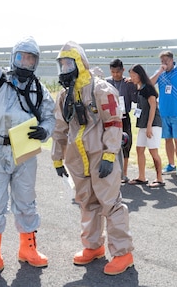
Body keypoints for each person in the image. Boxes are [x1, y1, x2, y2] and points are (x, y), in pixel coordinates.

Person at [0, 36, 56, 281]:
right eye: (21, 57)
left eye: (31, 58)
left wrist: (45, 130)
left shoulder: (39, 89)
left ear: (36, 62)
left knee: (26, 200)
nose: (25, 62)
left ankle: (28, 248)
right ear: (13, 57)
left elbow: (50, 116)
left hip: (24, 151)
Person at [51, 41, 134, 276]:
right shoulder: (64, 95)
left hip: (100, 156)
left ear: (79, 63)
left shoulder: (102, 89)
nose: (65, 68)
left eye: (69, 63)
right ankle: (93, 247)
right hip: (77, 159)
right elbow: (59, 128)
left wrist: (110, 155)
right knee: (87, 203)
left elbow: (114, 124)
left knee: (111, 204)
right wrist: (57, 158)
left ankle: (123, 253)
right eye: (62, 64)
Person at [150, 50, 177, 179]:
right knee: (167, 139)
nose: (164, 64)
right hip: (164, 113)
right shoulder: (160, 74)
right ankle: (171, 164)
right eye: (162, 61)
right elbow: (150, 83)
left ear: (172, 60)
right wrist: (159, 71)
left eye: (166, 61)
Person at [128, 64, 164, 188]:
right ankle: (141, 177)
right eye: (130, 76)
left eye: (133, 75)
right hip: (143, 124)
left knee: (153, 151)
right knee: (139, 149)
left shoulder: (148, 88)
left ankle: (159, 178)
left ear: (140, 75)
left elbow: (153, 106)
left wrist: (149, 126)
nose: (131, 78)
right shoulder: (139, 87)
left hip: (152, 124)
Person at [105, 59, 137, 183]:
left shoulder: (128, 83)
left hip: (124, 117)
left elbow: (135, 99)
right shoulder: (106, 83)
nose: (115, 74)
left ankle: (124, 173)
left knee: (126, 144)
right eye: (112, 72)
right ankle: (112, 173)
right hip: (110, 118)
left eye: (117, 72)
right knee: (110, 144)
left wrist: (134, 84)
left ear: (123, 70)